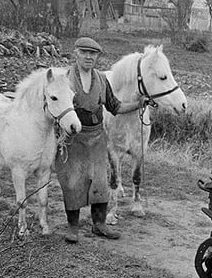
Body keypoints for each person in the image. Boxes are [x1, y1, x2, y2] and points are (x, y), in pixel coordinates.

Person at [56, 36, 146, 243]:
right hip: (73, 137)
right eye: (84, 52)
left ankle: (99, 224)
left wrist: (140, 104)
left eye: (93, 53)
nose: (89, 57)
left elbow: (116, 107)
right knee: (73, 182)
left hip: (97, 136)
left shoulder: (101, 79)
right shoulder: (65, 78)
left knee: (100, 181)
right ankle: (73, 227)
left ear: (97, 56)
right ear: (76, 53)